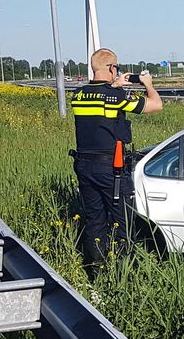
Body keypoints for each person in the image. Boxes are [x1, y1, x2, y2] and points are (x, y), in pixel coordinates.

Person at [69, 48, 162, 276]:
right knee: (122, 221)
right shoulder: (116, 97)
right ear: (112, 68)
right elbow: (155, 105)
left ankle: (95, 272)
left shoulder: (78, 95)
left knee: (95, 220)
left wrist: (115, 86)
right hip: (111, 168)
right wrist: (146, 83)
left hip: (84, 166)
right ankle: (120, 272)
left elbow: (99, 105)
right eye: (116, 68)